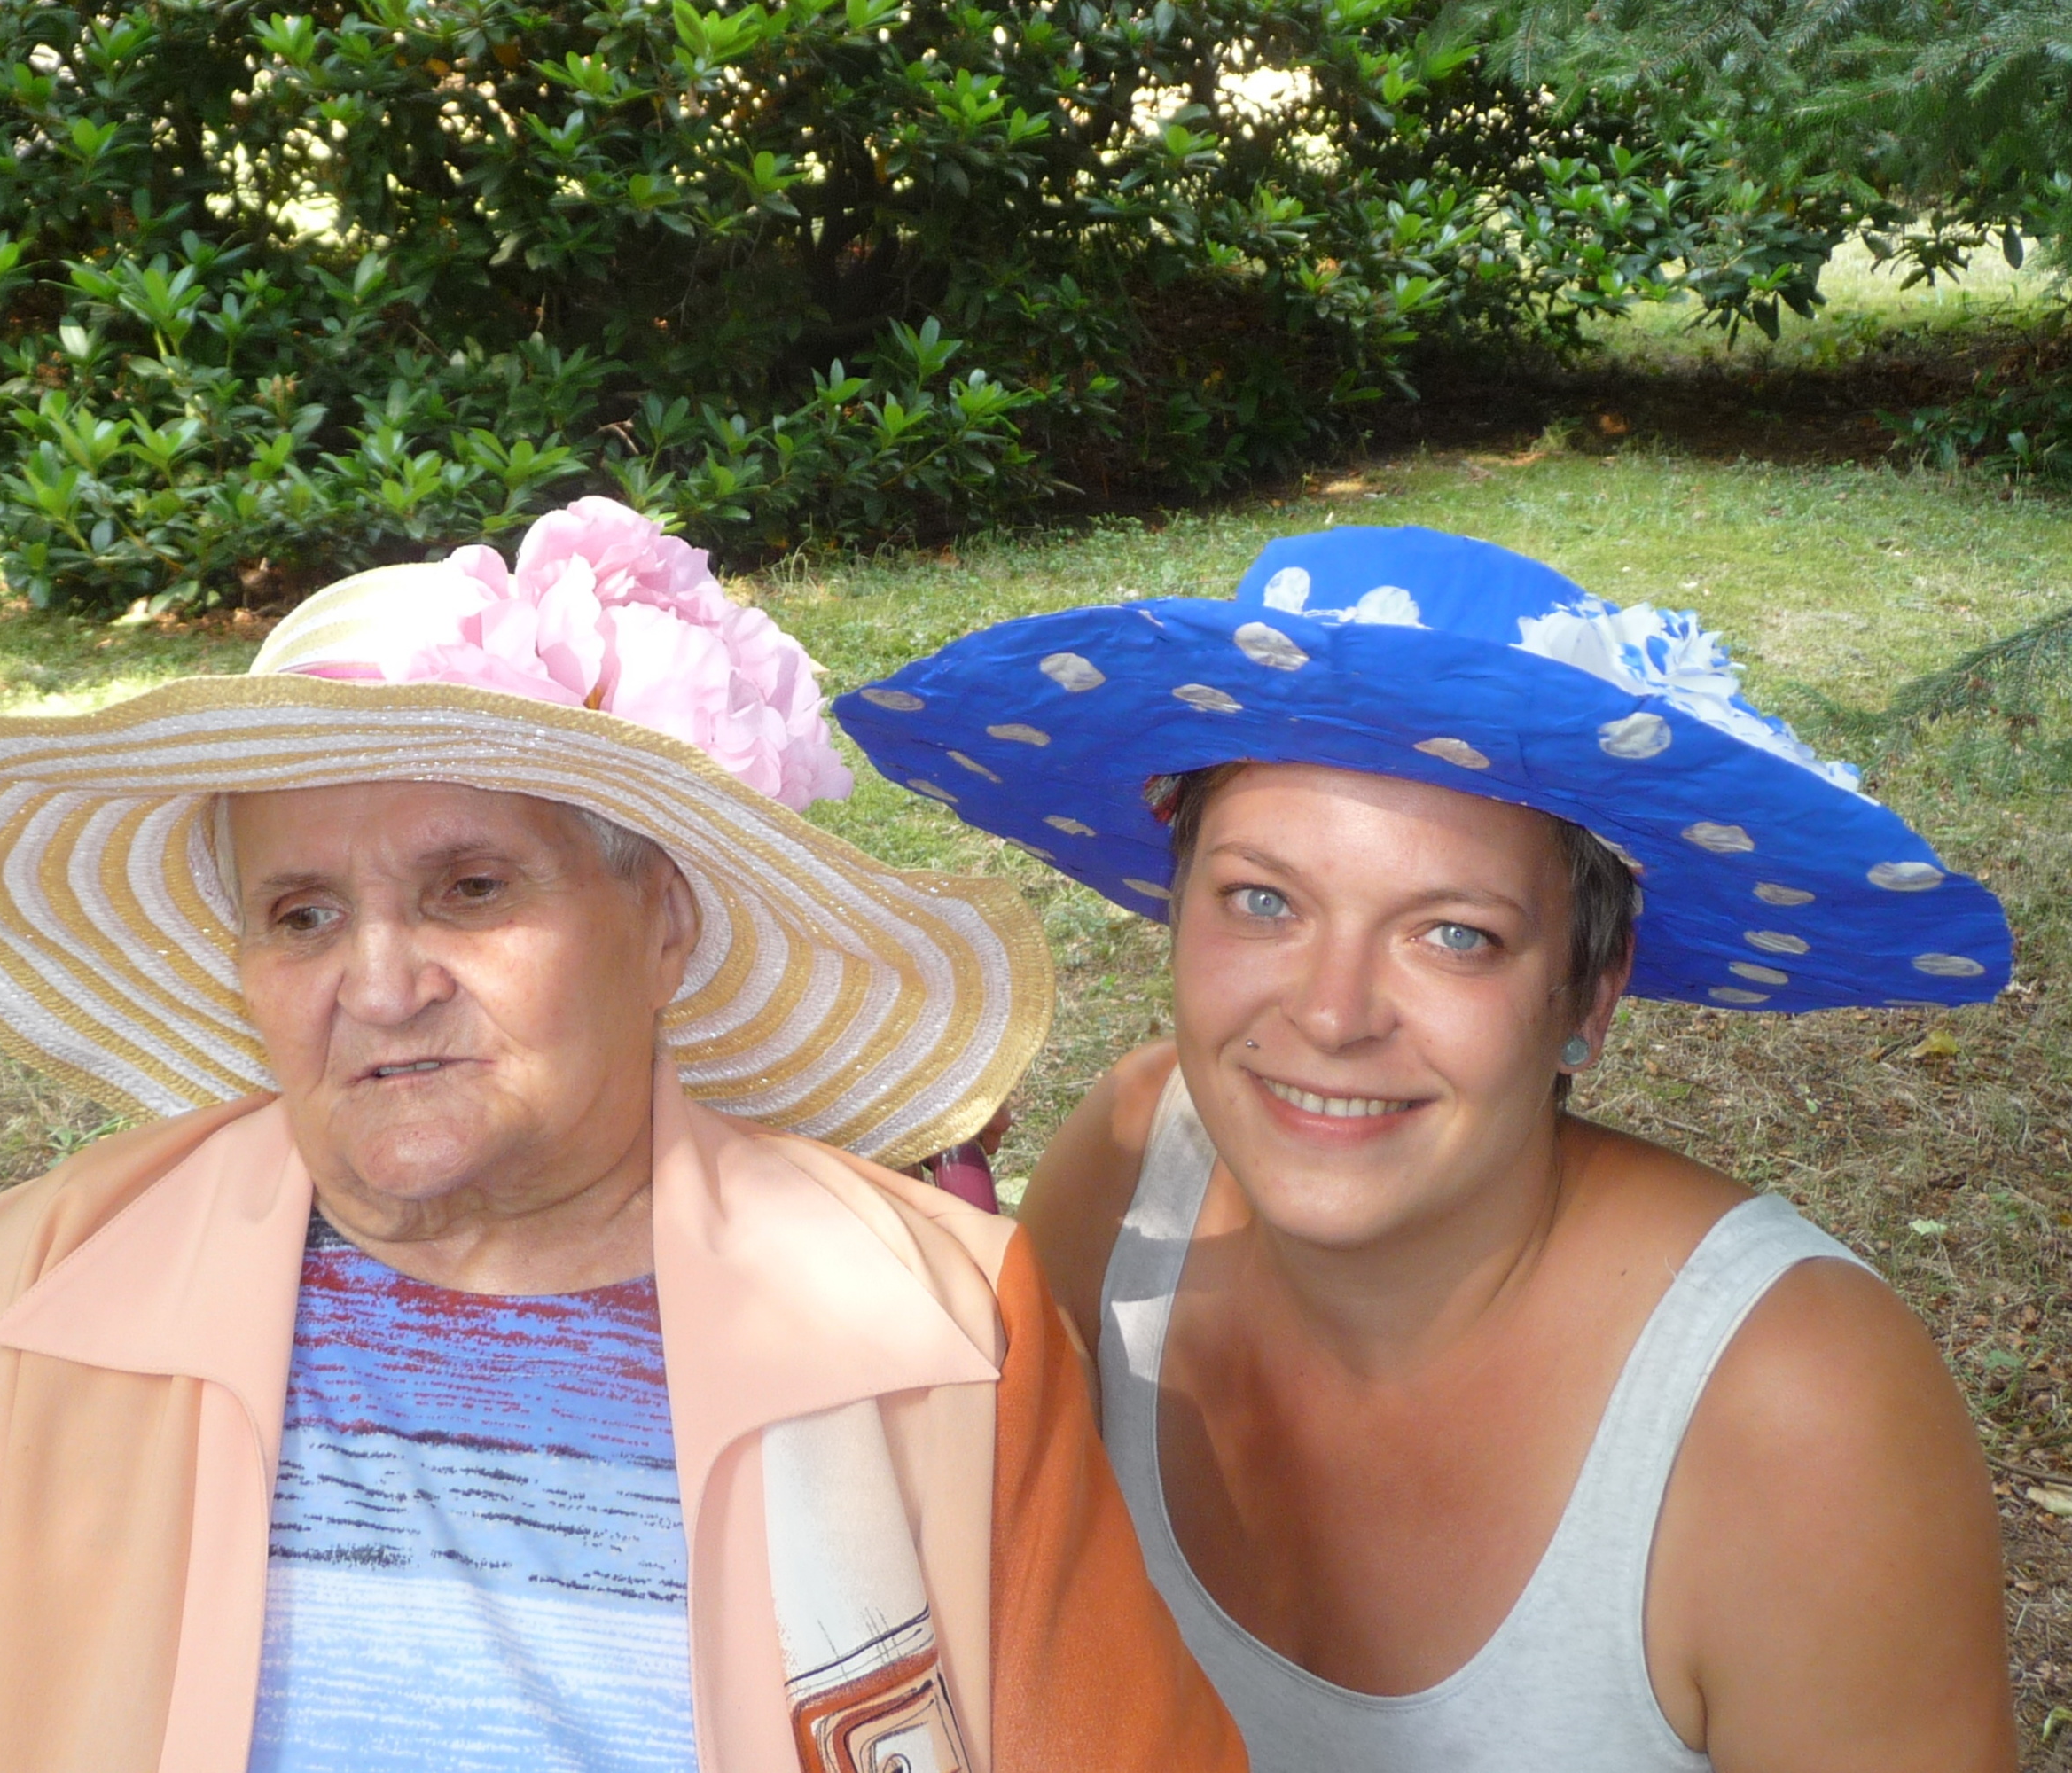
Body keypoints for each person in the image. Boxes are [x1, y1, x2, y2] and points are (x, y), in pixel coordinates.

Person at [0, 499, 1246, 1773]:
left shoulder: (942, 1327)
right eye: (302, 914)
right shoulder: (36, 1288)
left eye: (471, 889)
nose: (379, 985)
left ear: (663, 925)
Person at [837, 525, 2020, 1771]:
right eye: (1262, 900)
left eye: (1455, 934)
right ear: (1175, 911)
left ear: (1589, 993)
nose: (1333, 1015)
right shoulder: (1132, 1169)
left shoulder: (1796, 1411)